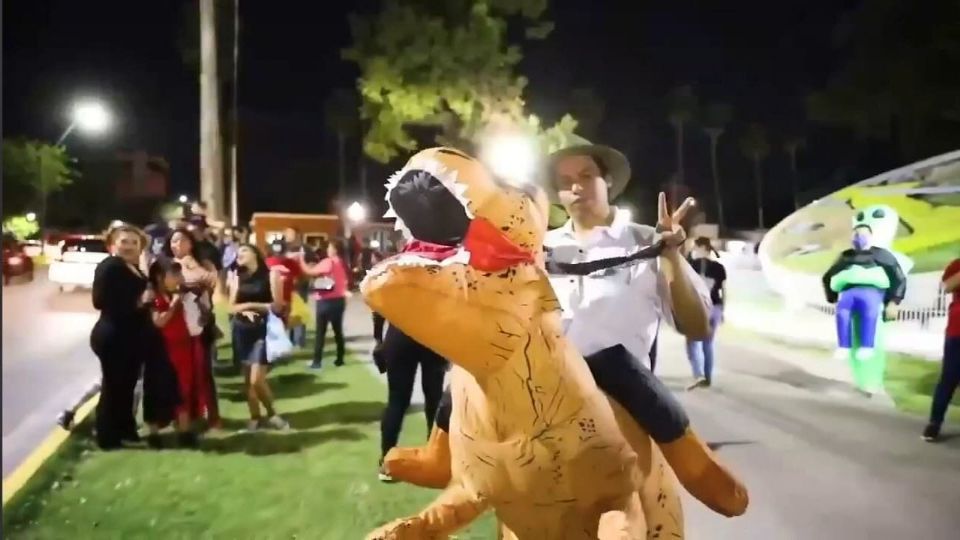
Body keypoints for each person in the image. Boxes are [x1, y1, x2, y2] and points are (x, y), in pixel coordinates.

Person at [89, 224, 155, 449]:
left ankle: (126, 430)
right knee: (114, 387)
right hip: (113, 335)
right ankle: (108, 437)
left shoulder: (132, 266)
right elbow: (99, 301)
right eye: (123, 241)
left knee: (126, 387)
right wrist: (139, 302)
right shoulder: (110, 266)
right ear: (112, 244)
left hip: (130, 337)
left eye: (134, 243)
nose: (128, 246)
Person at [163, 227, 222, 429]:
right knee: (178, 375)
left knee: (203, 372)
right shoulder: (166, 265)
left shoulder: (203, 264)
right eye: (173, 241)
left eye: (181, 240)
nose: (176, 245)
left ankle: (212, 417)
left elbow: (214, 284)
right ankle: (181, 416)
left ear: (190, 243)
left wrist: (193, 266)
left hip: (200, 325)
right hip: (176, 327)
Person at [148, 257, 210, 448]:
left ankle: (184, 431)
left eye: (179, 273)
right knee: (157, 391)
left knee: (184, 389)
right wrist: (174, 304)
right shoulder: (154, 297)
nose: (178, 278)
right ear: (159, 277)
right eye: (174, 274)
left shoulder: (183, 295)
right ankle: (154, 434)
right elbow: (159, 321)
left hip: (184, 347)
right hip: (162, 350)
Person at [228, 244, 290, 431]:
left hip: (263, 330)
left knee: (257, 379)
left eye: (244, 251)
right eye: (237, 253)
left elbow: (278, 306)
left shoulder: (272, 275)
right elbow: (231, 307)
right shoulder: (238, 277)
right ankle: (255, 418)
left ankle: (273, 415)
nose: (239, 255)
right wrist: (245, 310)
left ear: (255, 254)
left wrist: (249, 305)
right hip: (241, 329)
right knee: (248, 380)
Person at [377, 325, 448, 482]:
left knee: (397, 400)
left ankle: (387, 462)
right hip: (431, 334)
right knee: (434, 399)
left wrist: (378, 339)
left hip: (399, 333)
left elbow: (378, 304)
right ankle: (436, 459)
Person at [923, 257, 960, 442]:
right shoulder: (957, 264)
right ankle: (934, 424)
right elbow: (948, 286)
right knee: (949, 379)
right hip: (957, 331)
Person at [299, 239, 349, 369]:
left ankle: (317, 362)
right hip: (339, 300)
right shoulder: (342, 262)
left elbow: (309, 272)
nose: (328, 249)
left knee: (320, 333)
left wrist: (301, 259)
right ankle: (340, 359)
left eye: (330, 247)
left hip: (325, 301)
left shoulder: (329, 262)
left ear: (335, 249)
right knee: (338, 331)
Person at [684, 237, 727, 390]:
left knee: (692, 344)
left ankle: (698, 374)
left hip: (698, 308)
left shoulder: (691, 266)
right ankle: (707, 377)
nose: (693, 250)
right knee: (708, 344)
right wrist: (722, 311)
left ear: (702, 248)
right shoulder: (719, 267)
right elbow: (723, 291)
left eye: (695, 247)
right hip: (715, 308)